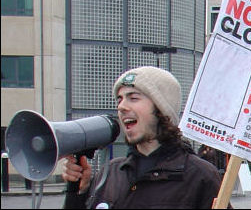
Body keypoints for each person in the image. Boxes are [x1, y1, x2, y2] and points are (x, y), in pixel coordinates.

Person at [62, 66, 231, 209]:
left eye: (133, 98)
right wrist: (78, 192)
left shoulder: (199, 176)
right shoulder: (110, 173)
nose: (121, 107)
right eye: (119, 99)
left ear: (161, 109)